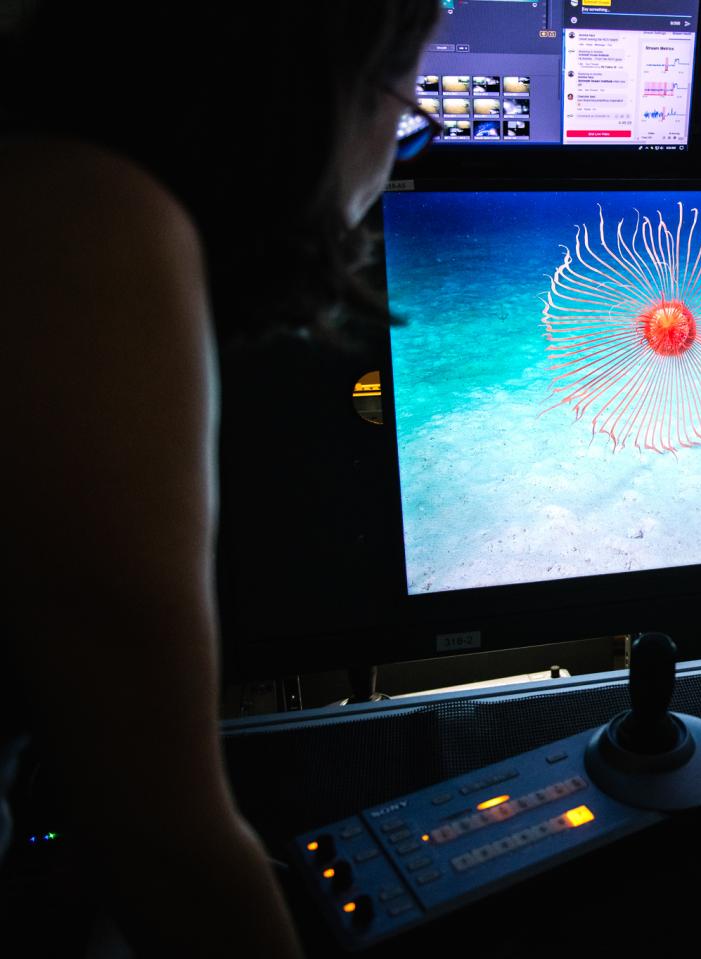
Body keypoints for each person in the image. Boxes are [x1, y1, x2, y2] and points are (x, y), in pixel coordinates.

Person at [0, 1, 439, 954]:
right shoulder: (95, 225)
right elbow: (166, 847)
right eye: (406, 103)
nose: (399, 152)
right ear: (317, 97)